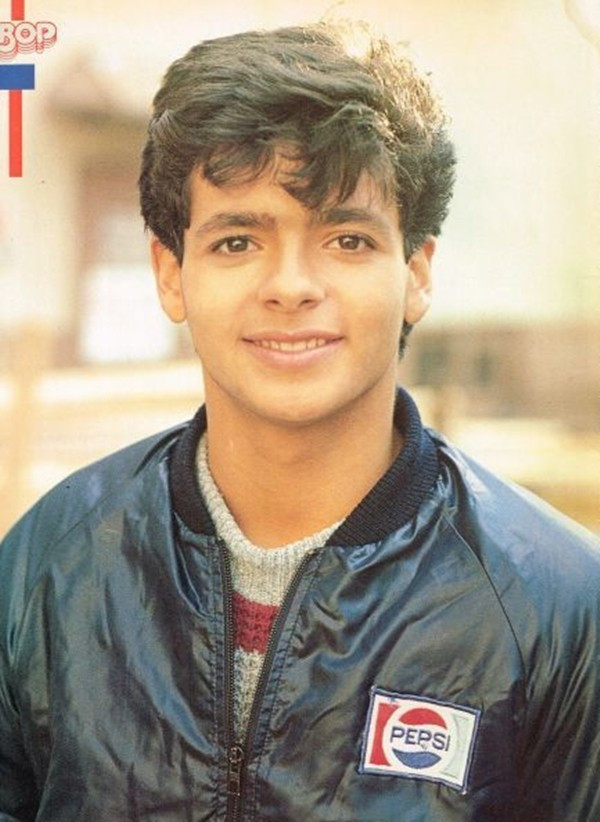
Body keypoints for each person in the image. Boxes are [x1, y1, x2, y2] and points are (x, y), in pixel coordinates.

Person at [1, 20, 599, 822]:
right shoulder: (46, 565)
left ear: (417, 271)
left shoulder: (559, 607)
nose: (291, 285)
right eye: (237, 241)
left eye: (346, 239)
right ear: (171, 273)